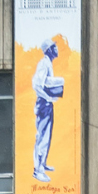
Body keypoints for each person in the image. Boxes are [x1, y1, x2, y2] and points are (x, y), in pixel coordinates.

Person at [32, 36, 63, 182]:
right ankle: (38, 170)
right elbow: (37, 85)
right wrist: (48, 98)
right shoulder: (43, 64)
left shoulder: (48, 63)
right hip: (43, 105)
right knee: (41, 137)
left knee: (47, 137)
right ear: (49, 50)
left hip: (47, 105)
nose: (57, 49)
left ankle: (42, 164)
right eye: (54, 47)